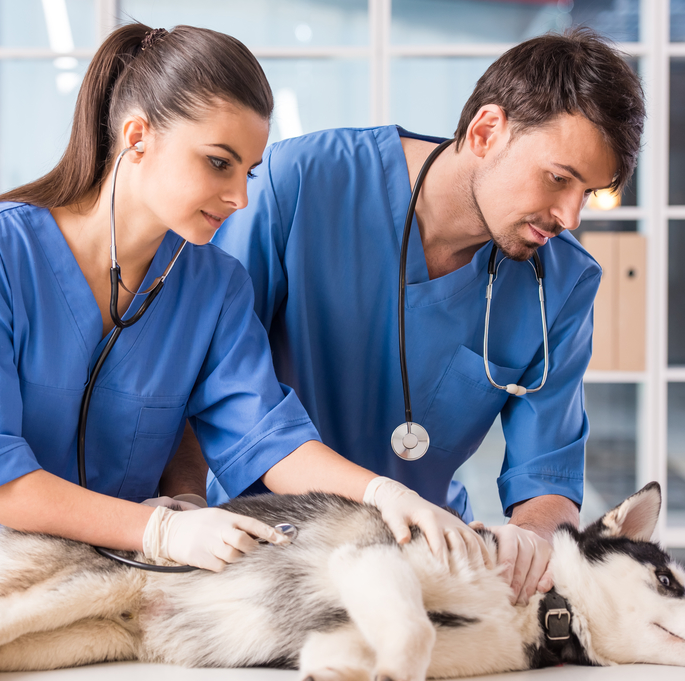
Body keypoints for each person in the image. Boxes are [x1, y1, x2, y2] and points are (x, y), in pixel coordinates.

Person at [0, 23, 486, 623]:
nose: (241, 197)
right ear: (138, 137)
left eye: (250, 170)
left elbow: (269, 441)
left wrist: (379, 492)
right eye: (218, 161)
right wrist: (160, 533)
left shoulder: (215, 287)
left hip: (62, 612)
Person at [206, 28, 646, 607]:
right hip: (258, 546)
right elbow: (215, 386)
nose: (570, 216)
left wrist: (531, 539)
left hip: (426, 561)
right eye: (560, 178)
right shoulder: (300, 184)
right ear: (487, 131)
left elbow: (547, 475)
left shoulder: (561, 283)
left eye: (587, 192)